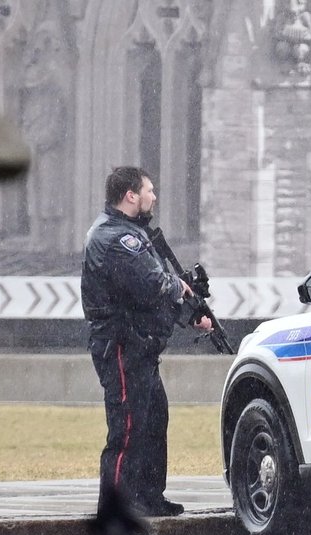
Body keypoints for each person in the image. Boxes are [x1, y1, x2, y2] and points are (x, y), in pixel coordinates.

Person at [81, 166, 211, 517]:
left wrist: (191, 314)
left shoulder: (130, 233)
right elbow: (153, 285)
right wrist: (177, 287)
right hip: (122, 348)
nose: (154, 197)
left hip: (140, 348)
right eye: (149, 191)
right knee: (126, 429)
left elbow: (154, 289)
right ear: (130, 196)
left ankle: (148, 497)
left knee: (153, 421)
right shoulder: (115, 238)